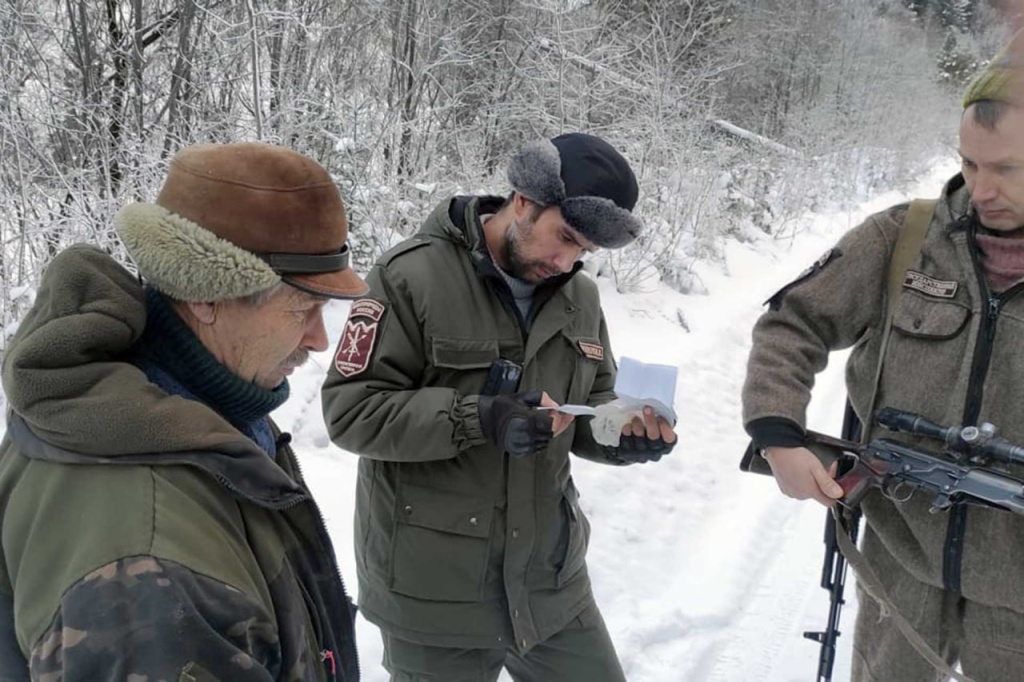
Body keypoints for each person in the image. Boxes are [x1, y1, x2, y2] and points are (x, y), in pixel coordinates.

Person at [0, 142, 365, 681]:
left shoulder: (186, 409)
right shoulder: (151, 578)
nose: (318, 339)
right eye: (303, 309)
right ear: (206, 295)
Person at [321, 132, 677, 681]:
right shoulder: (409, 275)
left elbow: (590, 404)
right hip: (435, 593)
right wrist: (479, 417)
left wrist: (619, 433)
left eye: (584, 250)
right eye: (564, 237)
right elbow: (351, 410)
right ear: (524, 201)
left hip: (549, 583)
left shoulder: (579, 297)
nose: (567, 261)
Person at [742, 39, 1024, 681]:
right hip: (900, 561)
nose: (981, 190)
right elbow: (792, 323)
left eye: (1007, 169)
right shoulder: (902, 239)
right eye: (970, 164)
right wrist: (777, 434)